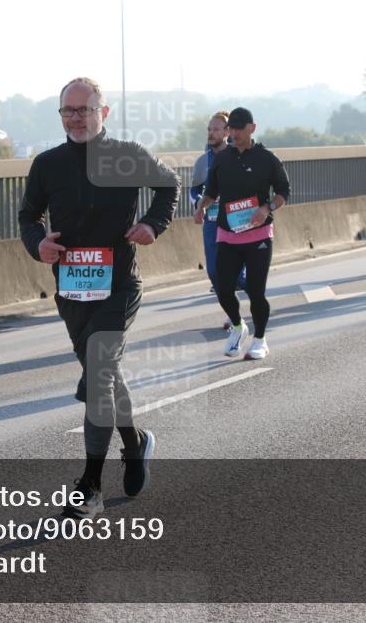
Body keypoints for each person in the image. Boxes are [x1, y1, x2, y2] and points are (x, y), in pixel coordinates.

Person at [18, 78, 179, 519]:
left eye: (84, 110)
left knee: (98, 374)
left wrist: (152, 224)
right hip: (72, 290)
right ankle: (135, 442)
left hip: (118, 286)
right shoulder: (47, 164)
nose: (75, 117)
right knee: (102, 375)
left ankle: (89, 486)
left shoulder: (128, 155)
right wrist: (38, 244)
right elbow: (28, 216)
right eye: (67, 111)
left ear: (102, 113)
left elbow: (169, 187)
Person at [194, 107, 290, 360]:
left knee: (256, 292)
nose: (234, 134)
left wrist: (266, 207)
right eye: (231, 129)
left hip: (258, 235)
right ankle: (238, 327)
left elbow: (283, 193)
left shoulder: (267, 158)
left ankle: (260, 339)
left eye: (238, 129)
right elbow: (211, 192)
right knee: (223, 288)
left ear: (252, 128)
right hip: (228, 233)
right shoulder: (222, 159)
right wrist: (200, 208)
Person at [190, 110, 246, 324]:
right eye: (209, 129)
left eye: (216, 129)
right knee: (214, 272)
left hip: (238, 221)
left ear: (227, 132)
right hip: (212, 222)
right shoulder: (202, 162)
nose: (211, 133)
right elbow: (194, 190)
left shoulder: (240, 156)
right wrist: (199, 205)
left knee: (238, 276)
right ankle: (235, 316)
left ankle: (256, 308)